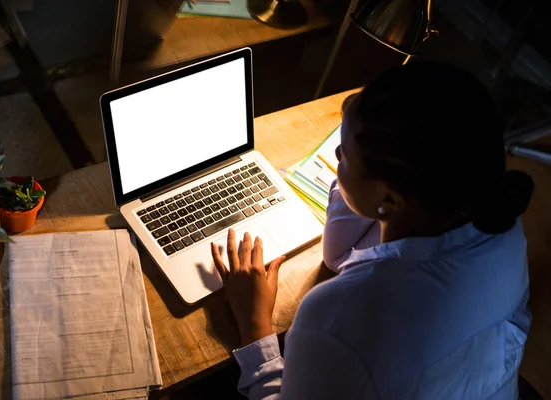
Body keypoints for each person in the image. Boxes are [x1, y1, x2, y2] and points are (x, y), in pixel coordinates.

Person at [210, 61, 535, 399]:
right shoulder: (501, 228)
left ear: (391, 199)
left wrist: (255, 325)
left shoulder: (338, 319)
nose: (335, 154)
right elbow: (339, 255)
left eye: (345, 155)